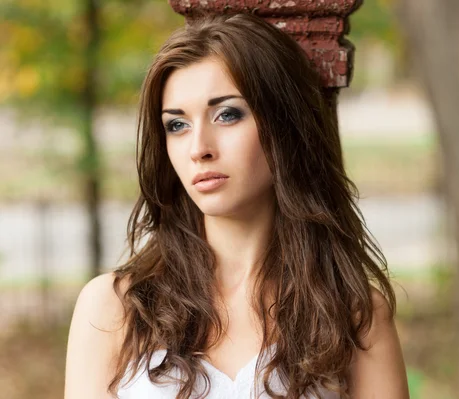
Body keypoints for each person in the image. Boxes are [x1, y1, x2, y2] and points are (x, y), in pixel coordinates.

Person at [64, 12, 409, 399]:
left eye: (227, 114)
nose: (199, 149)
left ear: (282, 126)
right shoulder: (114, 307)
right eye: (177, 125)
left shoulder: (353, 313)